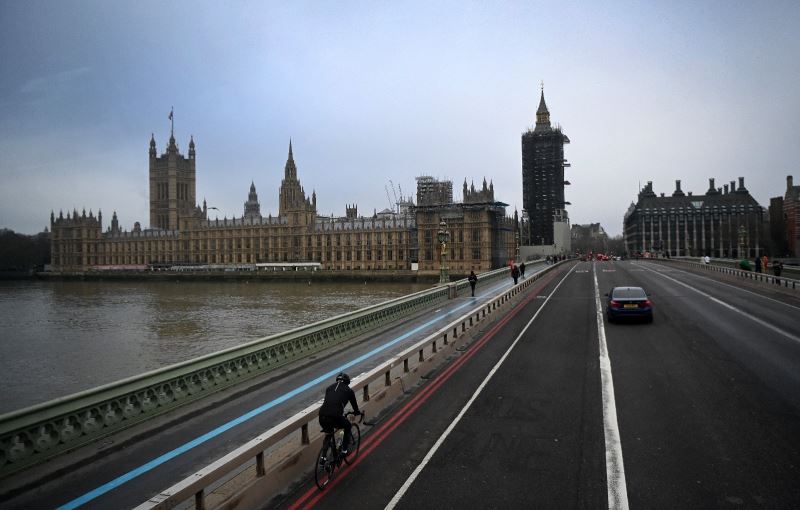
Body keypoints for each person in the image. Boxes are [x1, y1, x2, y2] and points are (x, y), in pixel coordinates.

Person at [319, 372, 362, 456]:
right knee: (347, 426)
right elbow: (354, 406)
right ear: (347, 382)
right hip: (335, 416)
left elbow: (331, 402)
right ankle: (344, 451)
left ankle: (323, 458)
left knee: (328, 433)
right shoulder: (349, 391)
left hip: (322, 415)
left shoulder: (329, 388)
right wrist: (356, 412)